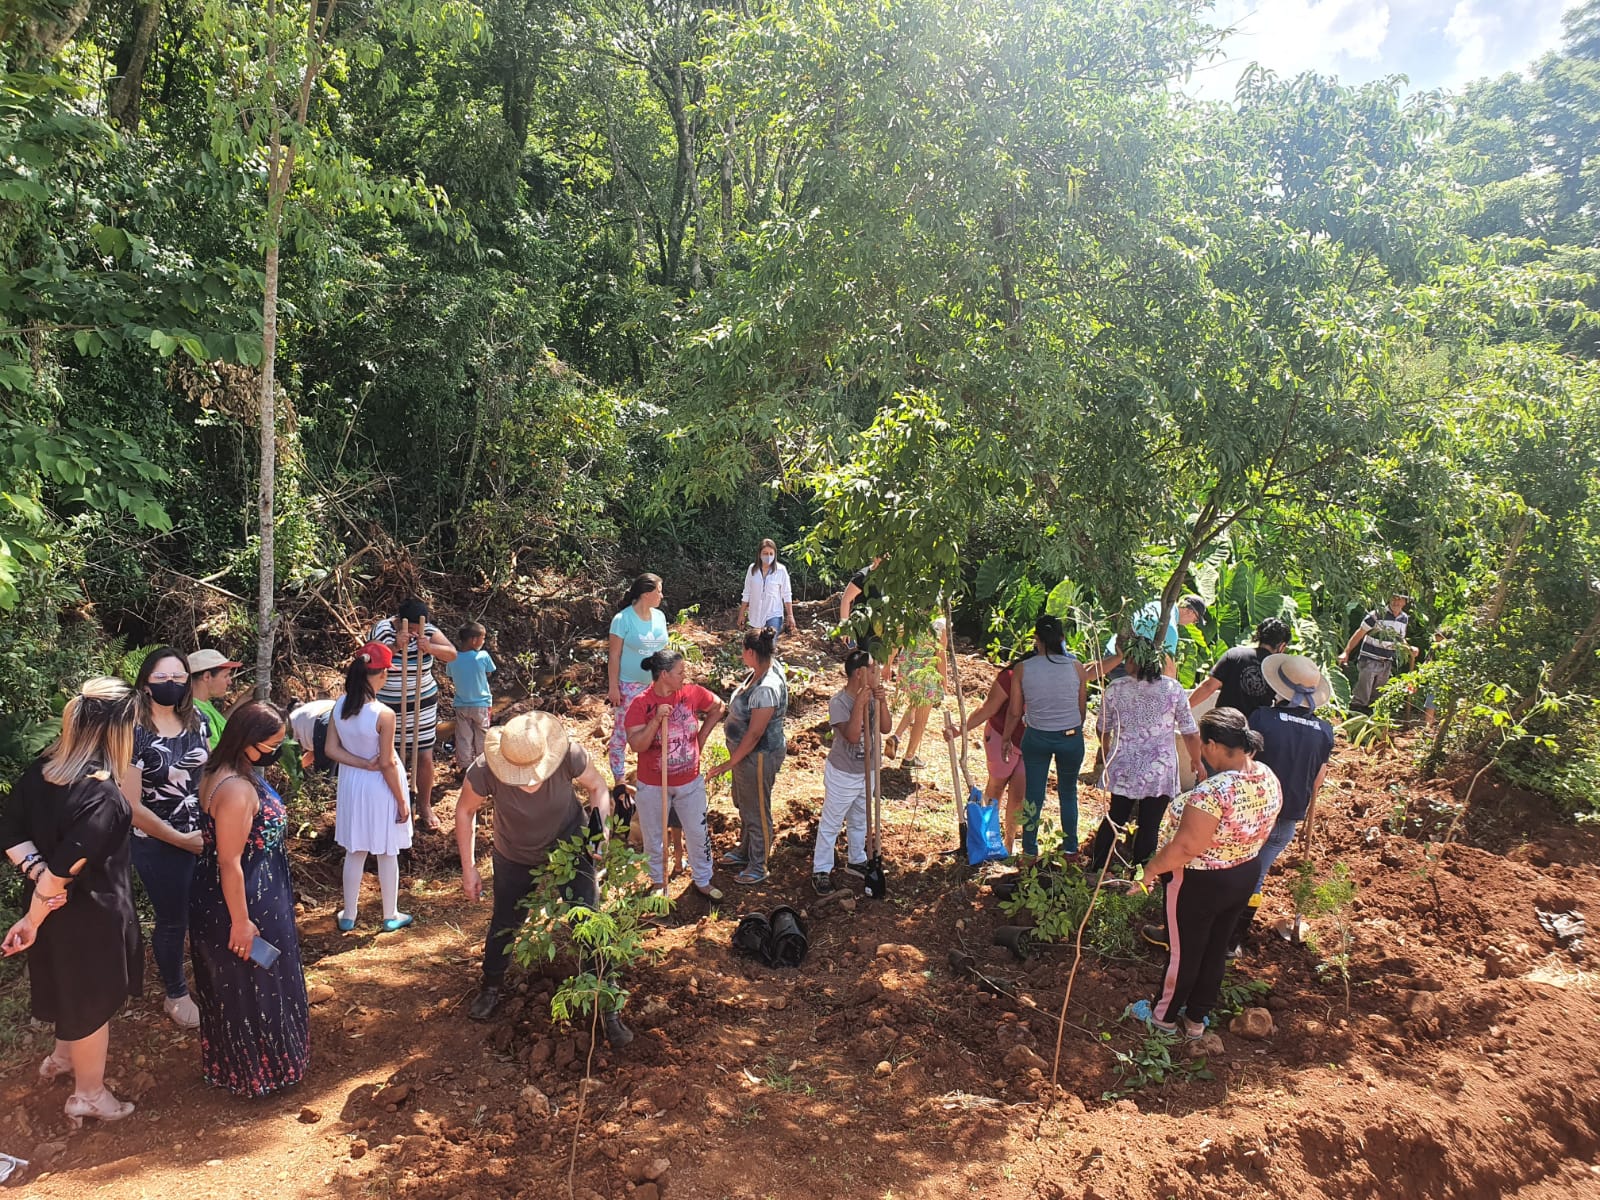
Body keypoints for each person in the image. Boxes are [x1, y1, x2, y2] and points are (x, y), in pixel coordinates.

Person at [1, 678, 142, 1127]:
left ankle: (63, 1057)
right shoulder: (103, 795)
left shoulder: (39, 771)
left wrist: (35, 880)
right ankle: (89, 1093)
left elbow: (12, 834)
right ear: (119, 730)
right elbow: (64, 873)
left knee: (65, 986)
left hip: (51, 910)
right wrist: (33, 916)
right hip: (87, 917)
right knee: (91, 1003)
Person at [455, 712, 629, 1048]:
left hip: (569, 846)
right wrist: (468, 868)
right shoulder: (484, 769)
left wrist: (597, 836)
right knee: (505, 922)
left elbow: (597, 787)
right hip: (514, 853)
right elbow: (464, 811)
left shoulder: (568, 754)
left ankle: (606, 1004)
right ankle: (491, 986)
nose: (528, 782)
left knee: (588, 919)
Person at [1130, 708, 1282, 1038]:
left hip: (1199, 881)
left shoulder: (1212, 793)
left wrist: (1151, 870)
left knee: (1184, 951)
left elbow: (1186, 847)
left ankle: (1163, 1018)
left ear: (1211, 745)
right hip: (1244, 871)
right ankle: (1196, 1019)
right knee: (1215, 948)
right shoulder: (1267, 776)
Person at [189, 701, 308, 1096]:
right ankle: (262, 1072)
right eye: (273, 743)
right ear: (249, 741)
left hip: (245, 889)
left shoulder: (222, 770)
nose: (278, 750)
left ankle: (240, 1067)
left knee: (241, 982)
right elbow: (230, 861)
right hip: (245, 897)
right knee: (256, 980)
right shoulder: (237, 790)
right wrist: (242, 922)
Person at [122, 646, 210, 1029]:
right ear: (145, 684)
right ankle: (175, 992)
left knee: (206, 912)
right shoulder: (133, 731)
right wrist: (179, 838)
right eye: (162, 678)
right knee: (173, 918)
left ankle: (210, 981)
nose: (171, 684)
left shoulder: (198, 720)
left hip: (202, 835)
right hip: (155, 841)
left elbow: (207, 778)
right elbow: (130, 805)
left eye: (178, 677)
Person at [1230, 655, 1336, 954]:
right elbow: (1317, 781)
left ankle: (1221, 936)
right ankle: (1233, 941)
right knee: (1256, 875)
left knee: (1231, 868)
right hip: (1287, 818)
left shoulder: (1262, 718)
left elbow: (1242, 764)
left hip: (1251, 813)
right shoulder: (1325, 731)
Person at [1088, 636, 1202, 874]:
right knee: (1150, 824)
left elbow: (1102, 727)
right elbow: (1190, 732)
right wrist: (1197, 761)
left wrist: (1106, 749)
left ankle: (1098, 868)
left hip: (1124, 764)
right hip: (1159, 769)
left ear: (1133, 660)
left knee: (1115, 816)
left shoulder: (1116, 688)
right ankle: (1140, 876)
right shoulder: (1173, 689)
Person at [324, 643, 413, 932]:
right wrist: (402, 801)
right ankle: (391, 914)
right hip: (380, 787)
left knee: (356, 849)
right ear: (382, 674)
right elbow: (387, 763)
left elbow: (331, 750)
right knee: (387, 851)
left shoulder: (340, 705)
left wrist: (360, 764)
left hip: (352, 784)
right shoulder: (383, 714)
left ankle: (349, 914)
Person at [625, 649, 727, 899]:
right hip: (652, 785)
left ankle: (703, 879)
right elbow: (637, 745)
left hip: (689, 781)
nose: (685, 676)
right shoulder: (641, 704)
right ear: (664, 675)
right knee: (654, 836)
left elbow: (718, 707)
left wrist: (701, 739)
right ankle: (659, 883)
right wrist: (656, 721)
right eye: (680, 672)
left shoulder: (691, 693)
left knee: (697, 831)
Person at [707, 627, 789, 884]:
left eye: (743, 650)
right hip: (746, 756)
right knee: (745, 804)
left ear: (751, 652)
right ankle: (745, 850)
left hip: (758, 756)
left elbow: (754, 735)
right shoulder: (760, 672)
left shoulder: (766, 688)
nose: (741, 655)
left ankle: (758, 864)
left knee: (757, 810)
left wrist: (729, 763)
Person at [1004, 615, 1089, 859]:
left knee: (1034, 793)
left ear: (1036, 640)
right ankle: (1071, 847)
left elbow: (1014, 711)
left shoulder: (1022, 669)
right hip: (1070, 736)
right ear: (1062, 639)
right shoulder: (1077, 667)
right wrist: (1069, 729)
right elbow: (1081, 709)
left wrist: (1007, 738)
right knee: (1068, 791)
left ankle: (1029, 850)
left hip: (1037, 736)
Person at [370, 597, 457, 831]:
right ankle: (390, 805)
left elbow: (451, 653)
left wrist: (430, 647)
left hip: (422, 705)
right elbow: (369, 660)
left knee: (425, 755)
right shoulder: (383, 629)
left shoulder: (427, 629)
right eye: (412, 630)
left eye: (420, 630)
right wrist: (396, 646)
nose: (416, 633)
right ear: (399, 621)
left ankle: (425, 805)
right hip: (388, 707)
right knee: (388, 756)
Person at [813, 650, 889, 894]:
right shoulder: (839, 702)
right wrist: (860, 704)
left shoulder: (875, 698)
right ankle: (821, 869)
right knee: (832, 822)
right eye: (874, 670)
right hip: (844, 773)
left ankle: (856, 859)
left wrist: (882, 702)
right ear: (860, 674)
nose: (879, 674)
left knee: (860, 819)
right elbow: (853, 735)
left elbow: (886, 728)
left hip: (869, 771)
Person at [941, 656, 1027, 852]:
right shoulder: (1009, 677)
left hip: (1029, 744)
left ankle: (1009, 841)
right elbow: (987, 708)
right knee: (996, 787)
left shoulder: (1051, 680)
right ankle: (986, 836)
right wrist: (960, 730)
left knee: (1019, 796)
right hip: (1000, 736)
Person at [607, 574, 669, 808]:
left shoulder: (660, 618)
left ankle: (650, 775)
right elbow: (613, 656)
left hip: (654, 686)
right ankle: (620, 780)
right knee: (623, 732)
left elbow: (664, 653)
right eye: (659, 591)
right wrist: (613, 687)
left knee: (655, 731)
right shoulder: (622, 620)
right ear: (646, 593)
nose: (662, 596)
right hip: (629, 685)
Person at [1187, 618, 1291, 718]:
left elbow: (1208, 687)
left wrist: (1183, 710)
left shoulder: (1235, 654)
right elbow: (1283, 703)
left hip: (1223, 723)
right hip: (1254, 730)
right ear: (1282, 646)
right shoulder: (1279, 670)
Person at [885, 616, 949, 770]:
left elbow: (895, 643)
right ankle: (909, 758)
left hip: (908, 670)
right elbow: (941, 654)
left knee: (914, 705)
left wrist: (887, 665)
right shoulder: (939, 624)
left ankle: (896, 737)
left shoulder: (907, 617)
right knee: (921, 720)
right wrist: (945, 681)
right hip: (926, 674)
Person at [1101, 596, 1208, 678]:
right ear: (1189, 611)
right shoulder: (1169, 628)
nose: (1193, 623)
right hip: (1125, 665)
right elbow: (1169, 670)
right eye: (1196, 620)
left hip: (1111, 652)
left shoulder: (1157, 604)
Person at [1339, 594, 1411, 713]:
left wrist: (1409, 648)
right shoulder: (1377, 614)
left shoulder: (1404, 618)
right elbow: (1360, 632)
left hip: (1387, 660)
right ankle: (1355, 720)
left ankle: (1370, 725)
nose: (1396, 602)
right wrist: (1346, 652)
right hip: (1370, 657)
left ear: (1405, 602)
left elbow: (1399, 638)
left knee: (1377, 696)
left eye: (1400, 599)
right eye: (1394, 598)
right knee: (1362, 695)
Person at [446, 621, 497, 771]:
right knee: (482, 735)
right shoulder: (483, 656)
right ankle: (482, 766)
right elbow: (489, 672)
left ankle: (465, 767)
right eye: (483, 638)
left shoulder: (452, 658)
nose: (484, 641)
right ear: (474, 640)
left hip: (461, 704)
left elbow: (450, 674)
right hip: (481, 704)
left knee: (463, 737)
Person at [738, 539, 796, 644]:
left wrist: (790, 615)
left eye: (771, 553)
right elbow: (747, 592)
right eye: (765, 553)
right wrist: (741, 614)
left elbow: (786, 594)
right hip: (755, 615)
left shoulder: (781, 570)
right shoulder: (752, 569)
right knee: (757, 647)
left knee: (769, 644)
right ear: (759, 554)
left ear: (775, 554)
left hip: (774, 613)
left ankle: (770, 660)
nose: (768, 556)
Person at [187, 649, 241, 749]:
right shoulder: (195, 712)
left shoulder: (203, 702)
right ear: (207, 677)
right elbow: (213, 756)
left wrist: (245, 698)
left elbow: (218, 724)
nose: (230, 682)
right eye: (225, 676)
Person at [838, 556, 884, 651]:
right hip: (862, 627)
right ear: (874, 558)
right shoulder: (862, 576)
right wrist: (845, 626)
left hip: (879, 627)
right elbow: (846, 600)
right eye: (880, 556)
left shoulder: (889, 578)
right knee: (866, 661)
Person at [287, 697, 336, 773]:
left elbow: (288, 752)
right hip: (343, 721)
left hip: (326, 724)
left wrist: (291, 770)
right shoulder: (311, 710)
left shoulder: (291, 719)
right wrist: (297, 768)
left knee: (324, 775)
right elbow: (312, 754)